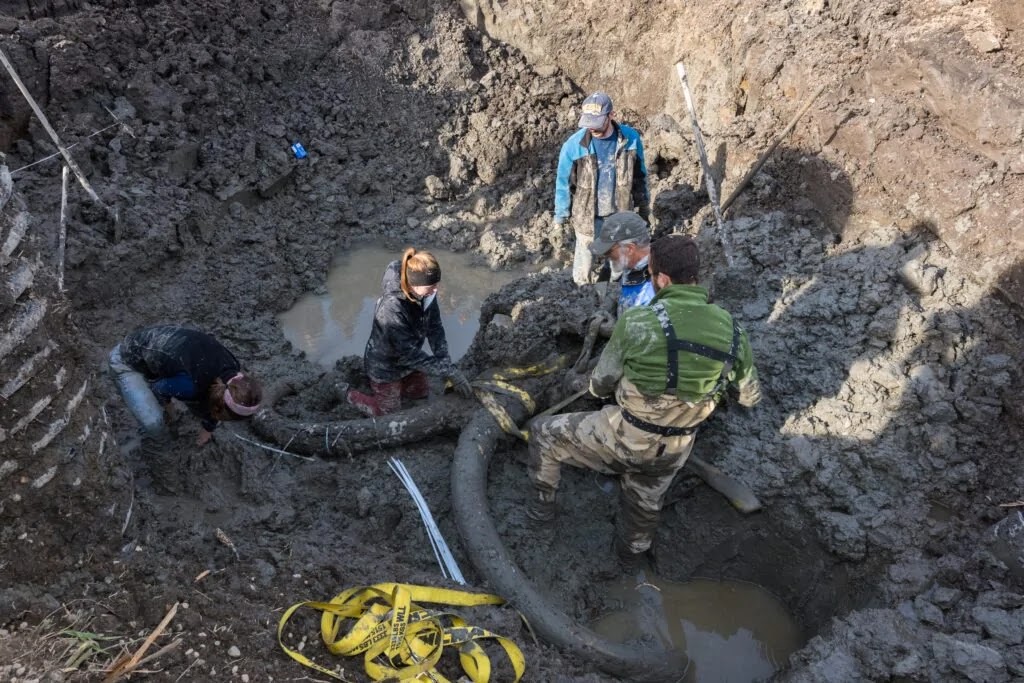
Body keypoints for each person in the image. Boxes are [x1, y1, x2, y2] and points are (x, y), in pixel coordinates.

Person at [525, 235, 761, 564]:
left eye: (651, 274)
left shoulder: (639, 322)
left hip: (625, 438)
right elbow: (749, 396)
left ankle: (540, 517)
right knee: (645, 504)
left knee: (543, 434)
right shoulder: (735, 331)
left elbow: (600, 385)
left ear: (662, 279)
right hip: (675, 452)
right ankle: (631, 559)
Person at [347, 247, 473, 417]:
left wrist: (445, 361)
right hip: (386, 366)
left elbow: (435, 328)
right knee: (387, 414)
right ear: (414, 284)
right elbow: (407, 354)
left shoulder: (427, 294)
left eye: (436, 284)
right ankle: (347, 394)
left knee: (419, 394)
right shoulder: (391, 308)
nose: (436, 290)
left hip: (411, 360)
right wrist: (448, 371)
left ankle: (404, 384)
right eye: (431, 285)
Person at [109, 324, 263, 447]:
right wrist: (169, 409)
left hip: (165, 344)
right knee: (154, 422)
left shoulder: (233, 371)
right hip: (126, 359)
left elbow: (218, 404)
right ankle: (162, 444)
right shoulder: (189, 386)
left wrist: (208, 428)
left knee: (200, 404)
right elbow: (158, 388)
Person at [553, 91, 649, 286]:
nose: (592, 129)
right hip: (587, 215)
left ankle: (611, 291)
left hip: (619, 213)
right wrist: (560, 217)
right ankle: (582, 293)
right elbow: (563, 184)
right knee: (584, 263)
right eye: (588, 123)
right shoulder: (573, 146)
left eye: (596, 123)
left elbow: (640, 176)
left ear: (611, 115)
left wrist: (644, 207)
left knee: (619, 264)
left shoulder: (630, 139)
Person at [589, 210, 655, 317]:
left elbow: (649, 330)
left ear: (629, 249)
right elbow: (623, 286)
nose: (606, 256)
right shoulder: (632, 264)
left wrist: (615, 329)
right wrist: (612, 299)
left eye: (609, 251)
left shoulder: (654, 286)